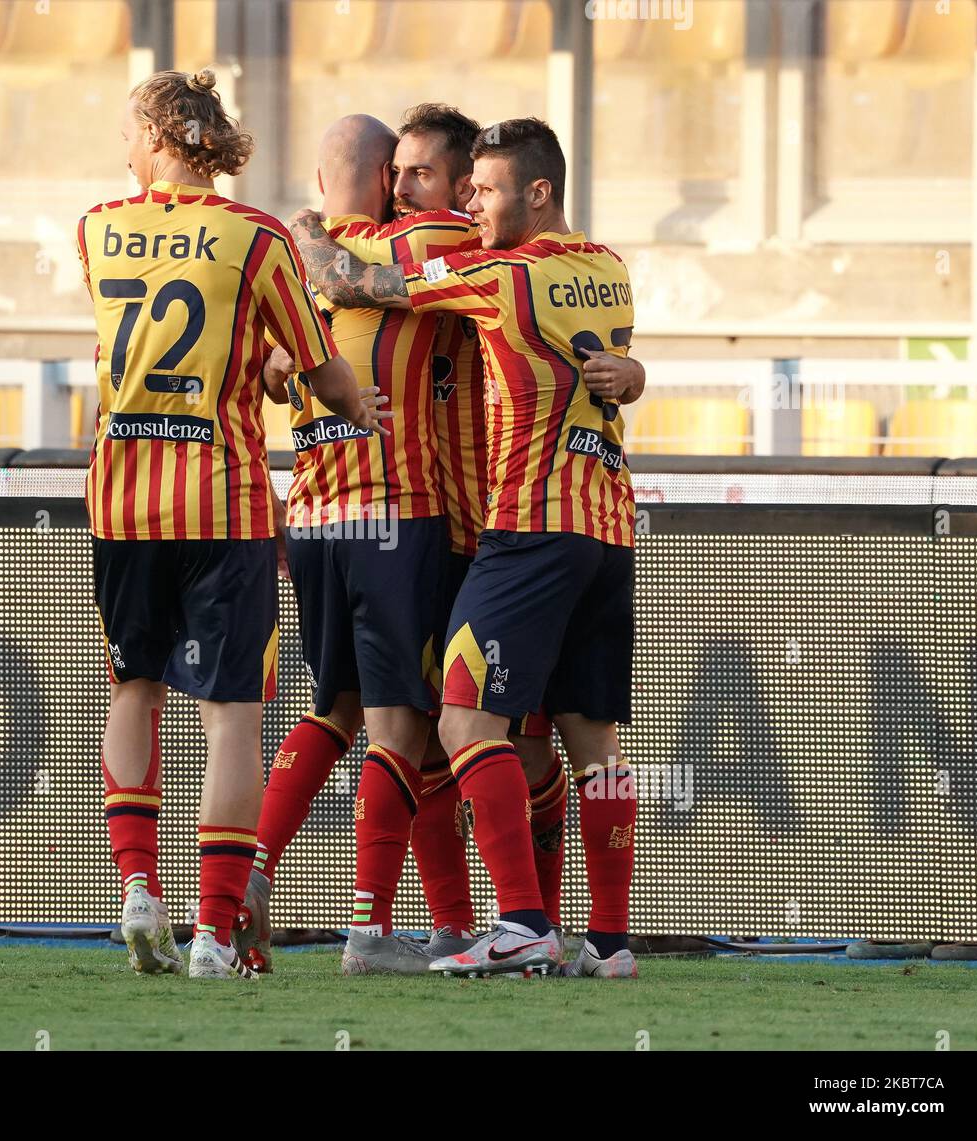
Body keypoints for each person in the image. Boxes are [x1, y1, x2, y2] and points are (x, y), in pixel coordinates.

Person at [289, 116, 640, 979]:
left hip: (527, 524)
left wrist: (303, 226)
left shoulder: (497, 274)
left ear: (539, 192)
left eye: (484, 190)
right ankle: (610, 940)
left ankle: (520, 920)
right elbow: (610, 368)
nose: (473, 204)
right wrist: (635, 376)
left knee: (458, 714)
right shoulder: (608, 269)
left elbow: (355, 280)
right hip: (609, 525)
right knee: (591, 742)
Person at [78, 69, 388, 980]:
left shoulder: (96, 228)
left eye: (130, 131)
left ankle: (139, 889)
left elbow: (158, 348)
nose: (123, 149)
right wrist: (355, 407)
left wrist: (262, 365)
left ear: (159, 135)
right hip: (222, 503)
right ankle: (216, 932)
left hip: (123, 500)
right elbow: (318, 362)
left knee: (132, 690)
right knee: (232, 718)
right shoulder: (255, 237)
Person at [240, 114, 481, 976]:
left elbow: (271, 370)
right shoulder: (427, 235)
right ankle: (371, 930)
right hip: (401, 514)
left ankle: (252, 878)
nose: (417, 186)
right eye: (405, 171)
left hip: (311, 517)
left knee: (336, 707)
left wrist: (302, 227)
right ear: (384, 175)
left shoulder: (286, 259)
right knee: (405, 724)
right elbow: (351, 280)